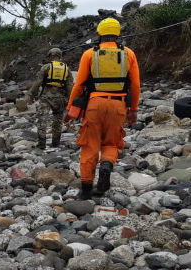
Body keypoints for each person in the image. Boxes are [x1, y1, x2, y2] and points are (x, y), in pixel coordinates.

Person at [64, 18, 140, 199]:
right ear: (118, 34)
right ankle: (106, 165)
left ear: (100, 33)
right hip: (118, 104)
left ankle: (86, 189)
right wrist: (133, 110)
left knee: (90, 145)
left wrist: (69, 108)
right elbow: (136, 85)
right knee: (112, 143)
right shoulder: (129, 53)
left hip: (95, 104)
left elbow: (79, 85)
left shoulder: (90, 54)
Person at [25, 48, 74, 149]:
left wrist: (31, 95)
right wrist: (71, 101)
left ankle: (42, 143)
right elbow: (70, 87)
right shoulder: (67, 69)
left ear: (50, 56)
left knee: (42, 120)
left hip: (46, 97)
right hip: (60, 99)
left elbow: (38, 83)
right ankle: (56, 143)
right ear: (60, 56)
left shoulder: (46, 67)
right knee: (57, 121)